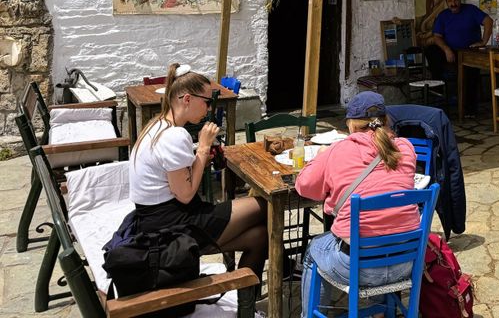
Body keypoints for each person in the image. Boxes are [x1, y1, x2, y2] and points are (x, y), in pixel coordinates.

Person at [128, 62, 267, 282]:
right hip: (171, 227)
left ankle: (246, 304)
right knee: (265, 206)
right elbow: (185, 194)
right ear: (187, 99)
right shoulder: (174, 136)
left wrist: (198, 159)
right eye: (206, 102)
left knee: (259, 237)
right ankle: (282, 268)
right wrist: (202, 148)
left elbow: (177, 182)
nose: (209, 109)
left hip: (154, 221)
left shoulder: (156, 125)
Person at [296, 92, 418, 318]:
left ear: (351, 124)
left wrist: (319, 157)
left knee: (315, 249)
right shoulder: (406, 148)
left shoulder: (337, 151)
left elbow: (304, 187)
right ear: (386, 119)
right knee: (382, 229)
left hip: (359, 269)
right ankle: (381, 312)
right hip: (406, 263)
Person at [426, 0, 493, 116]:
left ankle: (469, 110)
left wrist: (484, 42)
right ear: (446, 2)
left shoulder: (471, 10)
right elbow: (437, 36)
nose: (453, 3)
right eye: (450, 1)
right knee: (431, 50)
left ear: (460, 0)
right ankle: (438, 86)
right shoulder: (443, 15)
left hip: (469, 51)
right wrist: (446, 49)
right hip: (451, 51)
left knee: (470, 73)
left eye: (455, 0)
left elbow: (488, 21)